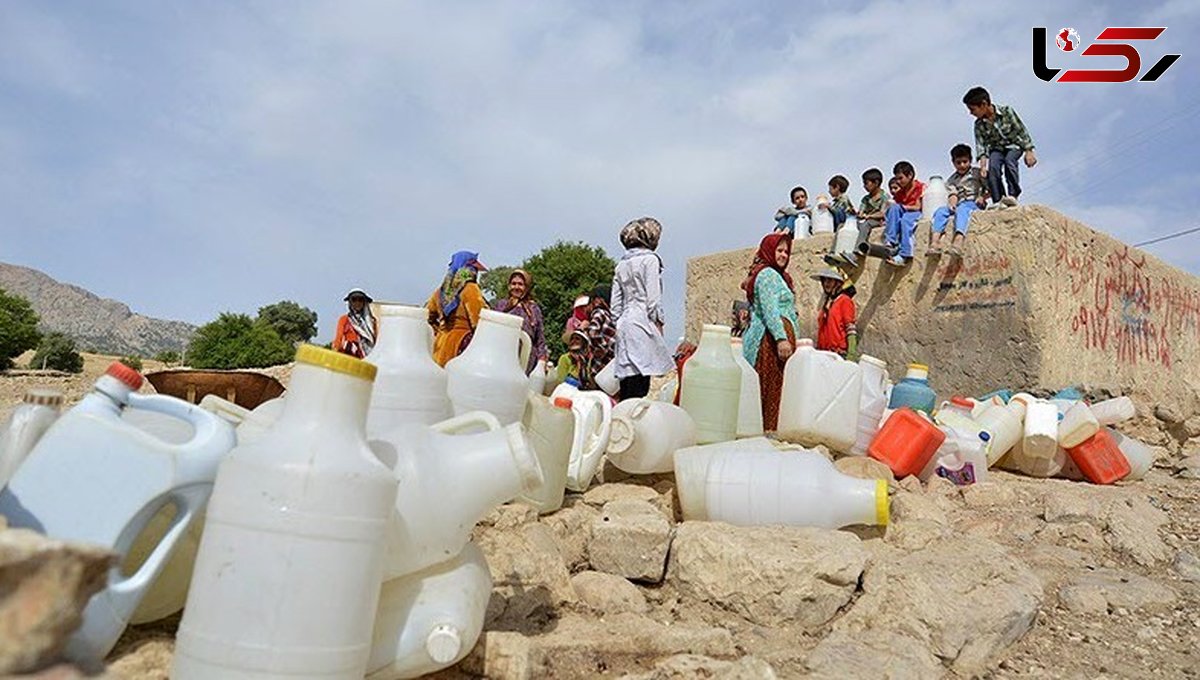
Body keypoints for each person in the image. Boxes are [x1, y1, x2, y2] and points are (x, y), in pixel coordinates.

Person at [741, 233, 800, 432]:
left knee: (777, 391)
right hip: (769, 343)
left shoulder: (779, 276)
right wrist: (781, 338)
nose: (783, 255)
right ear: (769, 250)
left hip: (776, 343)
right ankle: (765, 435)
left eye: (786, 251)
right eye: (779, 250)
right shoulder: (767, 275)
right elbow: (769, 309)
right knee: (769, 392)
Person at [611, 217, 674, 400]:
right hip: (642, 320)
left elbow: (615, 306)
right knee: (641, 381)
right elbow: (653, 299)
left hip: (624, 324)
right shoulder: (650, 260)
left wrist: (619, 323)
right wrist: (658, 323)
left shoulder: (621, 265)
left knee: (627, 381)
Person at [963, 86, 1036, 207]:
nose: (971, 113)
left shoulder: (1007, 111)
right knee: (993, 169)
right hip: (996, 149)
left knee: (1009, 162)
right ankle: (999, 199)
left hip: (1014, 145)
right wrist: (982, 166)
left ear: (984, 104)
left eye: (972, 109)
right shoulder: (979, 125)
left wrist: (1029, 151)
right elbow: (981, 145)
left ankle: (1013, 195)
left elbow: (1021, 131)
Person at [426, 251, 488, 367]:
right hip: (460, 347)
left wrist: (439, 330)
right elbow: (479, 322)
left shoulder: (441, 292)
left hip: (439, 346)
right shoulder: (471, 289)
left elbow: (426, 317)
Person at [930, 144, 989, 257]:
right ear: (953, 163)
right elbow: (953, 194)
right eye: (958, 162)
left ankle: (958, 240)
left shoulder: (977, 173)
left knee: (962, 209)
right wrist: (952, 204)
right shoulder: (952, 180)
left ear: (970, 160)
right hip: (959, 203)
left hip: (974, 203)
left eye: (965, 161)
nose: (962, 165)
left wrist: (983, 197)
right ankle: (935, 242)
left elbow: (989, 189)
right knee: (940, 211)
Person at [492, 269, 549, 375]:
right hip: (502, 355)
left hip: (526, 358)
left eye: (520, 284)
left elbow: (540, 337)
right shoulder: (501, 305)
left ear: (526, 287)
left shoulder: (533, 308)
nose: (516, 287)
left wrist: (542, 359)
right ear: (509, 286)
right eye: (513, 284)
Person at [884, 161, 925, 267]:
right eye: (897, 178)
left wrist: (904, 207)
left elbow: (918, 207)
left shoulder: (920, 187)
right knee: (893, 208)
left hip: (916, 213)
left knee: (905, 220)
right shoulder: (900, 192)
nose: (898, 181)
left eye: (900, 178)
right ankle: (890, 242)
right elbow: (895, 208)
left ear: (910, 175)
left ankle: (905, 255)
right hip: (904, 211)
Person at [813, 269, 858, 360]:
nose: (826, 283)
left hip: (838, 355)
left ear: (838, 283)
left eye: (830, 280)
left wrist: (851, 355)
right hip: (823, 354)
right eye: (824, 280)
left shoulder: (845, 301)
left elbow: (850, 329)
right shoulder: (828, 302)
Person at [333, 288, 378, 359]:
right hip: (350, 358)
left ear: (364, 302)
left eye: (360, 300)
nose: (357, 303)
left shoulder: (372, 321)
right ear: (350, 302)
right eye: (354, 300)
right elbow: (338, 339)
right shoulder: (344, 319)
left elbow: (376, 341)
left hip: (368, 358)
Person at [585, 285, 617, 373]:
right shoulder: (610, 315)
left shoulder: (599, 313)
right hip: (610, 363)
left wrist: (602, 349)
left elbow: (592, 332)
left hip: (601, 364)